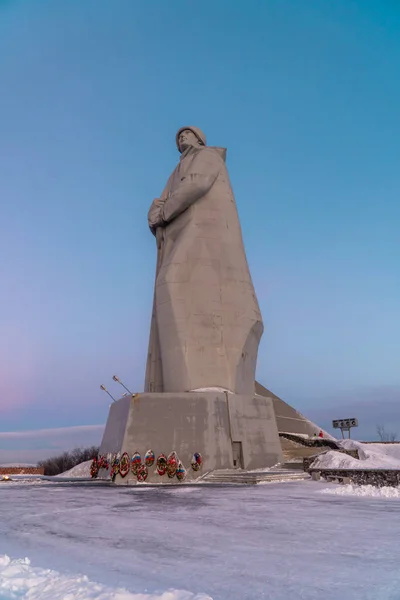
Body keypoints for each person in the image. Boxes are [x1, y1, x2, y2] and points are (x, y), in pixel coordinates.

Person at [145, 127, 263, 394]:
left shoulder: (208, 157)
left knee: (172, 283)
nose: (181, 138)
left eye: (186, 134)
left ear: (199, 139)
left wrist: (162, 212)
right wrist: (155, 210)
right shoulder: (176, 170)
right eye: (178, 137)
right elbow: (165, 196)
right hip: (184, 233)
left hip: (203, 237)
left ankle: (199, 383)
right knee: (170, 287)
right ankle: (184, 384)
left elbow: (195, 184)